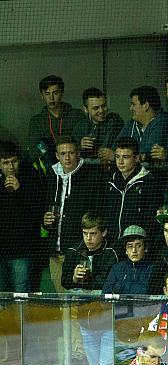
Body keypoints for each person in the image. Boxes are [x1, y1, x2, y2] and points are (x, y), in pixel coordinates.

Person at [60, 212, 119, 365]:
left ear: (104, 232)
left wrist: (84, 281)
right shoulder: (73, 251)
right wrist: (73, 277)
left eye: (93, 234)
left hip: (108, 320)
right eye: (85, 233)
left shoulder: (112, 252)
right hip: (85, 322)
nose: (88, 238)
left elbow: (107, 283)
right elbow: (65, 282)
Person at [43, 135, 103, 293]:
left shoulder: (92, 177)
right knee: (63, 304)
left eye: (71, 152)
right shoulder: (51, 176)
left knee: (80, 302)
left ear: (78, 153)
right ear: (57, 155)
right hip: (54, 253)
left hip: (78, 252)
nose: (67, 157)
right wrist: (45, 219)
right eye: (63, 154)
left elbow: (96, 215)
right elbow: (41, 207)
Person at [0, 140, 41, 292]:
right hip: (1, 251)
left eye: (14, 161)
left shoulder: (31, 178)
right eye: (5, 163)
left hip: (22, 251)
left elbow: (37, 213)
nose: (11, 167)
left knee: (21, 297)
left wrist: (20, 190)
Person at [104, 137, 160, 242]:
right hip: (112, 244)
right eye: (117, 157)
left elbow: (151, 222)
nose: (120, 162)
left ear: (136, 158)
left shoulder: (149, 184)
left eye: (125, 157)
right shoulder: (110, 182)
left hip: (136, 247)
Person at [27, 75, 83, 167]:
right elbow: (33, 150)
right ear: (42, 95)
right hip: (48, 168)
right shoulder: (36, 121)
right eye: (47, 93)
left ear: (62, 93)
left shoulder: (76, 115)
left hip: (75, 164)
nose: (51, 98)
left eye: (55, 93)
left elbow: (83, 143)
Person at [72, 87, 123, 166]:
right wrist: (80, 146)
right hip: (86, 172)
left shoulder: (115, 122)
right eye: (96, 108)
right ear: (86, 109)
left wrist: (115, 155)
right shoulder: (80, 126)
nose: (101, 111)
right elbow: (70, 154)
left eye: (104, 106)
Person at [116, 85, 165, 165]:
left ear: (145, 105)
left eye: (133, 104)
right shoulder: (130, 124)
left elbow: (149, 151)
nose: (130, 108)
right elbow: (117, 145)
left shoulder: (162, 122)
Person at [102, 225, 154, 295]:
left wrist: (119, 286)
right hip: (120, 306)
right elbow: (106, 292)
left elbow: (147, 291)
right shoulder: (117, 268)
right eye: (130, 246)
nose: (134, 250)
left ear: (146, 248)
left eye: (138, 246)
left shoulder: (152, 268)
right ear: (126, 250)